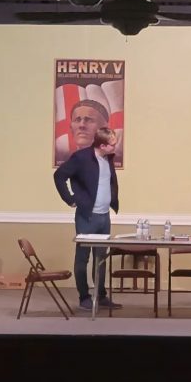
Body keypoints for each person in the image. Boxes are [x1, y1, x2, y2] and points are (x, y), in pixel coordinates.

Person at [54, 126, 122, 311]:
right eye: (112, 144)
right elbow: (59, 176)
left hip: (104, 217)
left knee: (101, 258)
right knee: (83, 257)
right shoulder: (81, 158)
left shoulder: (107, 159)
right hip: (87, 217)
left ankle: (100, 295)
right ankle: (84, 296)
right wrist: (69, 199)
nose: (115, 147)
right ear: (102, 145)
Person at [55, 99, 110, 164]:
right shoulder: (64, 159)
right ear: (71, 127)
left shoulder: (113, 158)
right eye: (77, 120)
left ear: (104, 127)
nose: (82, 125)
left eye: (89, 120)